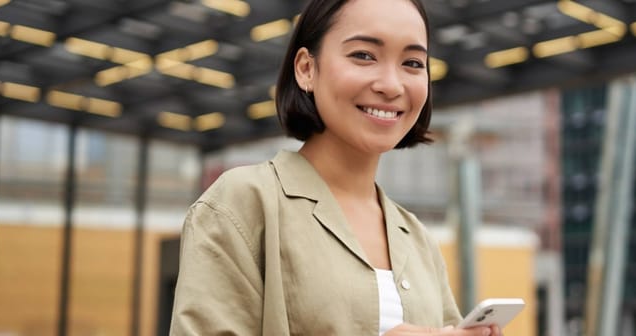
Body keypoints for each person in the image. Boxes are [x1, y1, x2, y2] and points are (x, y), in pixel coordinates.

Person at [169, 0, 504, 335]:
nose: (391, 85)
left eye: (413, 63)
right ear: (305, 69)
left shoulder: (416, 237)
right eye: (364, 55)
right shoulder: (242, 204)